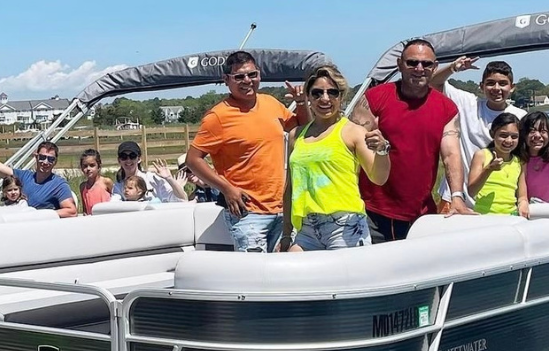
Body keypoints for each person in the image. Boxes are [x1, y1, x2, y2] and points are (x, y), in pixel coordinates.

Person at [185, 50, 309, 252]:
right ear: (226, 80)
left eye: (252, 75)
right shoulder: (218, 116)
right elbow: (193, 160)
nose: (247, 81)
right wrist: (226, 189)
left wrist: (302, 102)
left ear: (259, 74)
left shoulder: (271, 104)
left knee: (284, 274)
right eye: (239, 76)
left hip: (283, 210)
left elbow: (302, 129)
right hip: (247, 213)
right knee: (255, 276)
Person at [350, 38, 472, 242]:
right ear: (400, 65)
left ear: (434, 67)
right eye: (412, 63)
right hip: (372, 210)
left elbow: (451, 154)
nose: (419, 68)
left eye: (426, 64)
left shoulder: (447, 108)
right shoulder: (374, 98)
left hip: (421, 214)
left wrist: (457, 197)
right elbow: (351, 150)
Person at [282, 64, 391, 251]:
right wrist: (286, 234)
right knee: (292, 275)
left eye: (332, 92)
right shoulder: (295, 136)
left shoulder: (354, 132)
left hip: (344, 227)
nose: (325, 99)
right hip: (306, 228)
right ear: (308, 96)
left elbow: (378, 178)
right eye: (317, 93)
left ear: (341, 96)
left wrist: (382, 150)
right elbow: (290, 188)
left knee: (342, 281)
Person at [430, 57, 527, 210]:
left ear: (512, 87)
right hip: (456, 198)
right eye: (490, 83)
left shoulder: (521, 116)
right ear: (481, 86)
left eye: (503, 83)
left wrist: (523, 200)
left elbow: (524, 161)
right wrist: (453, 68)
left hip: (497, 203)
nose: (496, 88)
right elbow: (433, 82)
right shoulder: (468, 103)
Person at [0, 121, 77, 217]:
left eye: (50, 159)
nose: (45, 162)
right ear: (36, 157)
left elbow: (71, 211)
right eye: (42, 157)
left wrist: (38, 216)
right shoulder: (22, 177)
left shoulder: (59, 184)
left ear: (55, 162)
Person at [467, 112, 529, 217]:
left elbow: (522, 196)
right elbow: (472, 191)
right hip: (485, 216)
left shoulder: (519, 161)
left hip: (510, 216)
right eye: (503, 135)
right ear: (492, 134)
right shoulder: (482, 155)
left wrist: (523, 204)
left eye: (514, 137)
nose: (509, 140)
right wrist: (488, 169)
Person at [111, 141, 188, 203]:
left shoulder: (153, 179)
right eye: (123, 156)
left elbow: (181, 200)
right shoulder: (118, 186)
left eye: (132, 156)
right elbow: (113, 206)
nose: (128, 160)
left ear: (139, 159)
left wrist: (169, 179)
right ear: (119, 160)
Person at [78, 149, 113, 215]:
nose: (88, 169)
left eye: (92, 165)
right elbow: (85, 210)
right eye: (85, 166)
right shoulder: (83, 186)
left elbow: (116, 201)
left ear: (99, 166)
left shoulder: (106, 182)